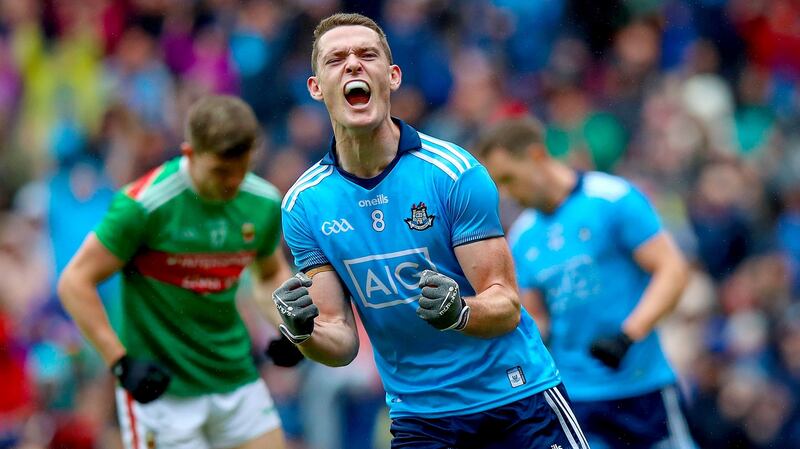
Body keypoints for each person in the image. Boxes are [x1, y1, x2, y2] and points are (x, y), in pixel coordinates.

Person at [274, 12, 589, 449]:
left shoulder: (453, 173)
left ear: (393, 76)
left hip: (515, 398)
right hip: (422, 419)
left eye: (367, 55)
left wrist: (459, 311)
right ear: (314, 87)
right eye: (335, 59)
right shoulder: (303, 205)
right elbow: (341, 341)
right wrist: (302, 330)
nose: (353, 65)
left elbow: (506, 303)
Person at [57, 95, 299, 449]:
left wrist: (285, 325)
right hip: (162, 391)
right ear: (189, 154)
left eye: (241, 169)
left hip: (235, 376)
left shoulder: (262, 201)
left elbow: (268, 273)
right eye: (220, 171)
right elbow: (74, 282)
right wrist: (120, 364)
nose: (232, 183)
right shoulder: (144, 205)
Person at [475, 116, 696, 449]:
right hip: (577, 397)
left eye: (509, 179)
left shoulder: (611, 198)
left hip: (642, 386)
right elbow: (538, 317)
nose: (506, 194)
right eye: (498, 185)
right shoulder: (521, 238)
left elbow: (673, 270)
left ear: (536, 157)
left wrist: (627, 336)